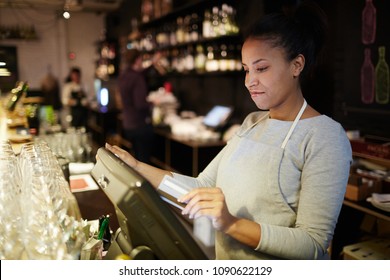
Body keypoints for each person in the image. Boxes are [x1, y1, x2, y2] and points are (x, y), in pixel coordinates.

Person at [104, 1, 352, 260]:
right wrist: (136, 166)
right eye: (246, 69)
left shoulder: (325, 137)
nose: (250, 81)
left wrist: (231, 223)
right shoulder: (252, 122)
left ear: (296, 65)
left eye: (262, 68)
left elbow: (312, 244)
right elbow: (201, 186)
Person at [117, 48, 154, 164]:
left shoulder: (124, 75)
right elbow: (140, 104)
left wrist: (152, 63)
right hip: (140, 125)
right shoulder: (138, 78)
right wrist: (154, 102)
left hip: (128, 124)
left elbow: (141, 72)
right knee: (143, 162)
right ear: (138, 60)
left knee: (135, 160)